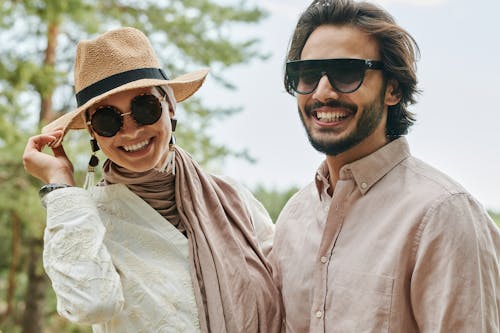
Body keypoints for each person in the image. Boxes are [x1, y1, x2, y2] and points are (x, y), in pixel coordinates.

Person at [23, 27, 282, 332]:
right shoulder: (86, 220)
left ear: (169, 106)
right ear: (93, 132)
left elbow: (285, 284)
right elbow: (89, 304)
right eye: (107, 119)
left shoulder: (231, 198)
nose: (131, 131)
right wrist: (61, 185)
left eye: (145, 108)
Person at [268, 0, 500, 332]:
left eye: (346, 73)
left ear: (392, 88)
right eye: (306, 75)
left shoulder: (442, 216)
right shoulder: (293, 219)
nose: (322, 92)